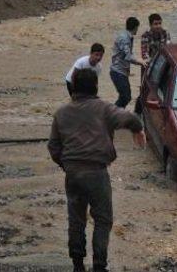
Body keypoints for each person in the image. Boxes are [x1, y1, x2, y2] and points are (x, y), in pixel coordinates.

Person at [48, 68, 146, 272]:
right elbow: (130, 118)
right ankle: (99, 266)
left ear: (73, 87)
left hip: (73, 174)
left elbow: (54, 148)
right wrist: (138, 130)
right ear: (95, 86)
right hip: (97, 173)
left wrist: (66, 165)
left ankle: (77, 265)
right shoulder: (103, 108)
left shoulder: (61, 113)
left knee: (76, 219)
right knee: (102, 220)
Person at [110, 17, 146, 109]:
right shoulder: (125, 38)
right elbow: (128, 56)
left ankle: (116, 114)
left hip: (121, 71)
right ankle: (113, 114)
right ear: (135, 27)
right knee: (125, 96)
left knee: (125, 96)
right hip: (118, 71)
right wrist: (140, 61)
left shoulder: (126, 36)